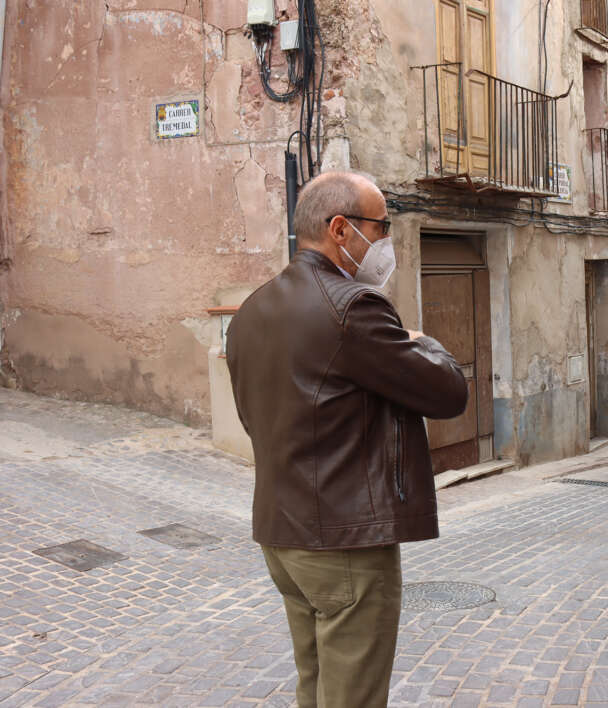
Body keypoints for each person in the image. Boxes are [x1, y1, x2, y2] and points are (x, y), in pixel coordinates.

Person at [225, 171, 468, 707]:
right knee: (351, 697)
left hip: (282, 535)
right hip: (345, 543)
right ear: (340, 228)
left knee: (315, 687)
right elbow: (449, 393)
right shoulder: (353, 306)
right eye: (380, 228)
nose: (386, 243)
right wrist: (423, 342)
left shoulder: (250, 312)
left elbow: (253, 419)